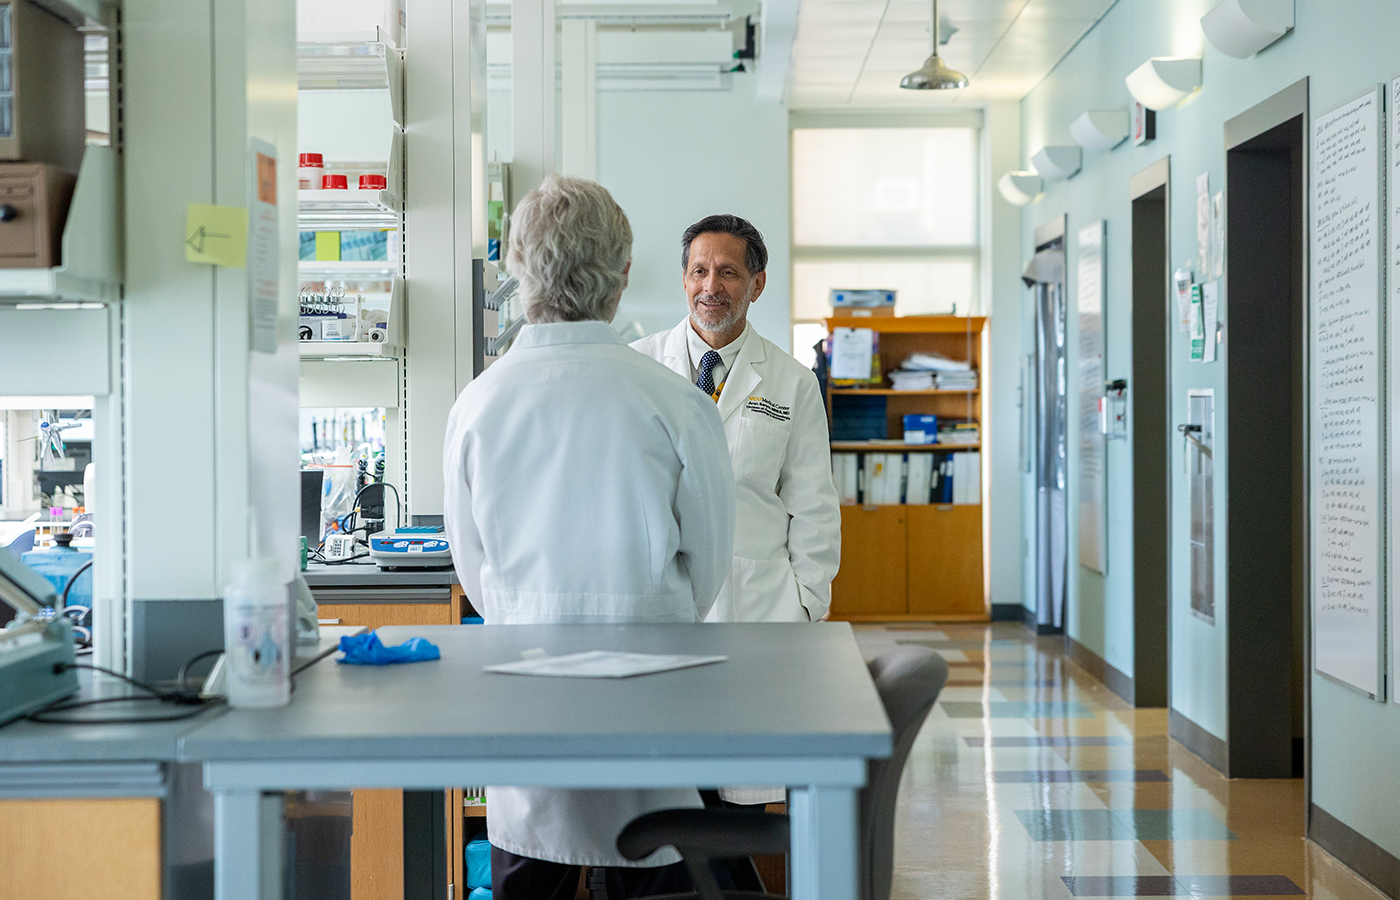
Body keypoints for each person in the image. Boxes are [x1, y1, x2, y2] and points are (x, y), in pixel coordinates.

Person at [443, 176, 736, 900]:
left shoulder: (477, 406)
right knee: (656, 861)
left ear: (516, 266)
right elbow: (708, 568)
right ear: (626, 272)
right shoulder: (676, 403)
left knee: (529, 868)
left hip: (526, 697)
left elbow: (474, 573)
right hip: (655, 696)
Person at [631, 214, 842, 832]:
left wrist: (807, 605)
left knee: (742, 790)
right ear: (684, 280)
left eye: (728, 271)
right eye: (699, 270)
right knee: (669, 784)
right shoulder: (640, 368)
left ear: (758, 283)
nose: (711, 286)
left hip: (760, 610)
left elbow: (814, 504)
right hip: (662, 604)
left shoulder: (793, 384)